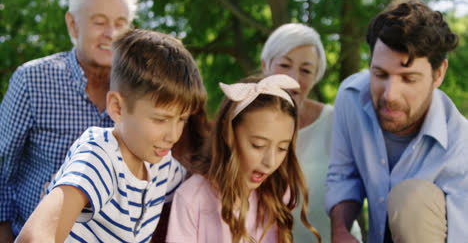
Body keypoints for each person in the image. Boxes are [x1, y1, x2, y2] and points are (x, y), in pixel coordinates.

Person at [16, 28, 208, 242]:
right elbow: (33, 237)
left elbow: (202, 182)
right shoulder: (100, 157)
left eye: (181, 119)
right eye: (160, 120)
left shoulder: (161, 165)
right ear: (117, 108)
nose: (173, 135)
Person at [0, 0, 137, 240]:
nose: (110, 33)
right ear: (72, 23)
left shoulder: (139, 93)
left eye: (120, 23)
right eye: (99, 21)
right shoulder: (32, 80)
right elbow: (1, 169)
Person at [326, 0, 466, 243]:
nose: (390, 95)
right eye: (380, 74)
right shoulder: (350, 97)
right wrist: (340, 230)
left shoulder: (461, 145)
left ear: (439, 73)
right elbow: (343, 175)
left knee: (411, 196)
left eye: (409, 79)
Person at [166, 74, 321, 243]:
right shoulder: (192, 197)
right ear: (228, 133)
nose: (270, 162)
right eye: (258, 145)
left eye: (282, 148)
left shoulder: (277, 192)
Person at [262, 23, 362, 242]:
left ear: (316, 76)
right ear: (265, 66)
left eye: (306, 70)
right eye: (284, 64)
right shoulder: (241, 124)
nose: (293, 78)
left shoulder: (337, 122)